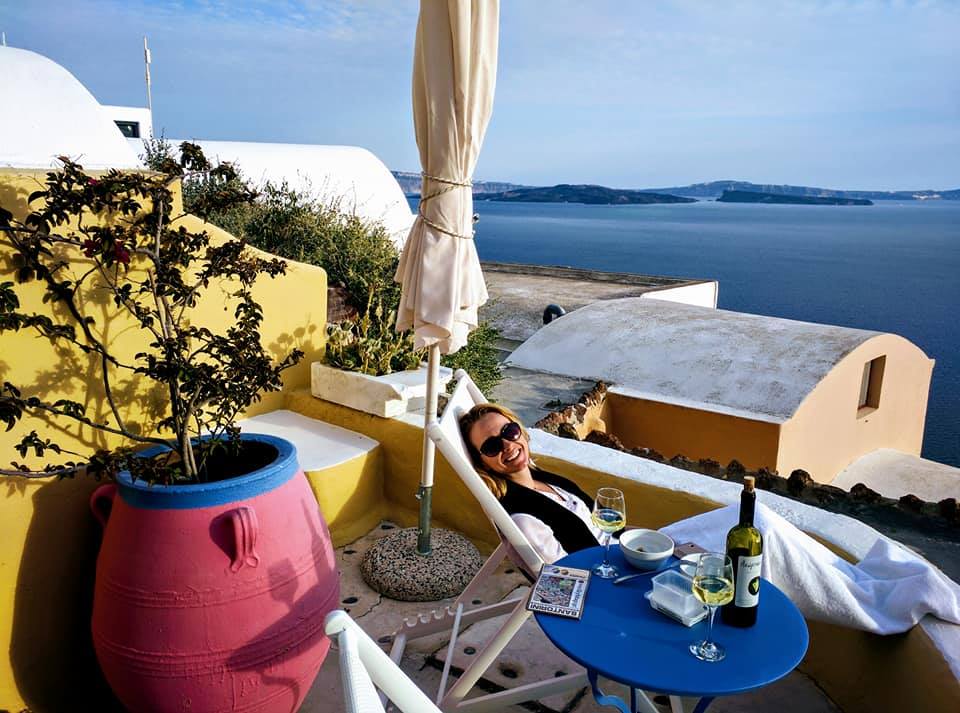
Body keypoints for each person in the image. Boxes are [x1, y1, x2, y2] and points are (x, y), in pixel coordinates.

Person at [459, 403, 607, 564]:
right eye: (492, 446)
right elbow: (566, 574)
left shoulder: (542, 477)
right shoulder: (523, 519)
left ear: (520, 431)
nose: (508, 445)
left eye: (509, 431)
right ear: (483, 463)